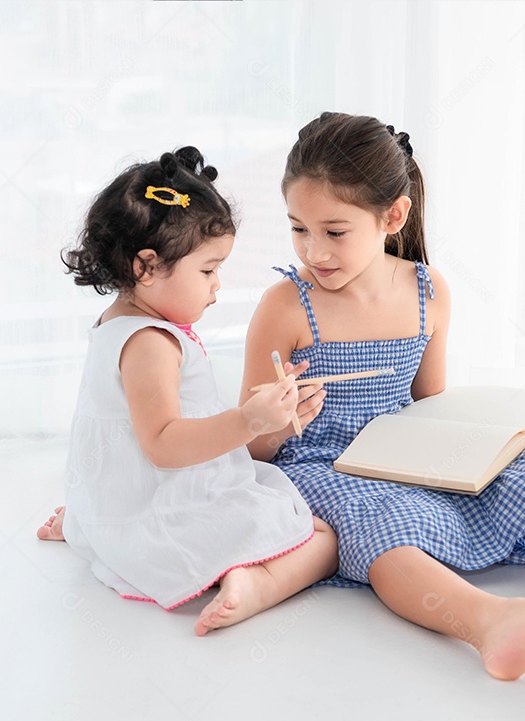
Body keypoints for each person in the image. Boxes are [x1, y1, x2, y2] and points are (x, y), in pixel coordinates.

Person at [241, 112, 525, 680]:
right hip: (324, 465)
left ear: (392, 216)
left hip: (407, 454)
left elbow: (434, 408)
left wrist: (516, 441)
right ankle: (490, 622)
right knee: (382, 522)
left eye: (334, 232)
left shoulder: (427, 290)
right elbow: (249, 446)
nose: (313, 252)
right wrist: (280, 422)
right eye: (298, 229)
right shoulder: (285, 305)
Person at [36, 146, 338, 636]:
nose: (217, 285)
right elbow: (162, 444)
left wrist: (268, 417)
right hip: (165, 509)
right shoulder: (151, 343)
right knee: (322, 536)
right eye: (208, 270)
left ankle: (92, 524)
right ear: (146, 267)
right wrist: (250, 421)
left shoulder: (119, 322)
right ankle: (257, 583)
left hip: (121, 500)